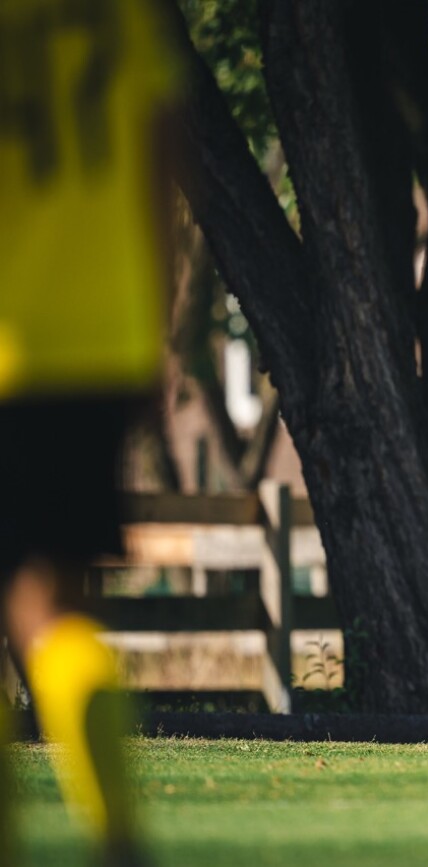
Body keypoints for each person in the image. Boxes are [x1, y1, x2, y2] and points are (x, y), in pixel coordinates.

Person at [0, 0, 179, 861]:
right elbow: (158, 167)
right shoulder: (122, 13)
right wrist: (153, 332)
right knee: (56, 609)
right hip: (102, 337)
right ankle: (115, 826)